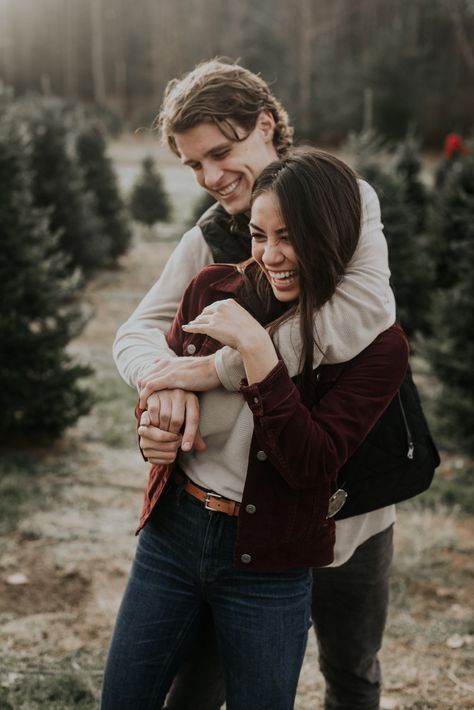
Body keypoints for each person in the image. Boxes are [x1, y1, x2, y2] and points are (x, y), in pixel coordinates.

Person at [113, 60, 397, 710]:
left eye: (221, 151)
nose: (212, 177)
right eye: (194, 165)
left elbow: (359, 320)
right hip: (248, 521)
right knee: (204, 678)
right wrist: (162, 383)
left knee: (351, 672)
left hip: (350, 506)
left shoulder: (342, 202)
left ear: (265, 125)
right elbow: (135, 333)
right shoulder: (210, 238)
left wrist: (214, 367)